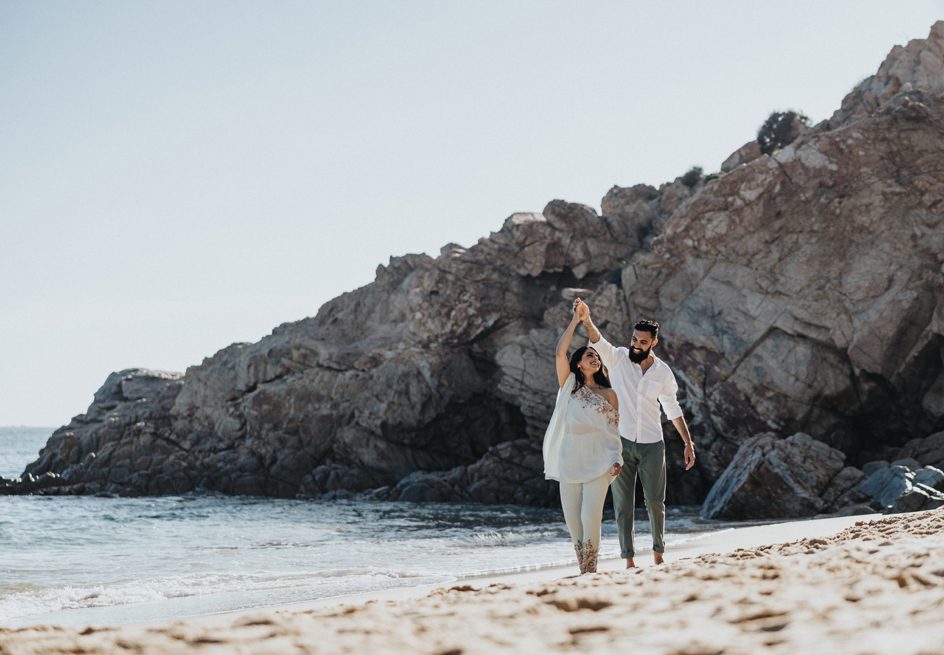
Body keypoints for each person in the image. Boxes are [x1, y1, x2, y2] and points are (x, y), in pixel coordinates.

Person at [574, 298, 695, 568]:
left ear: (654, 343)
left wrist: (688, 443)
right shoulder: (617, 359)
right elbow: (598, 340)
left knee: (654, 502)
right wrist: (586, 319)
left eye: (642, 342)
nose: (636, 345)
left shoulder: (663, 373)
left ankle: (658, 555)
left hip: (653, 444)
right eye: (634, 339)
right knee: (623, 505)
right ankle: (628, 561)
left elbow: (672, 409)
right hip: (621, 443)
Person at [542, 304, 623, 574]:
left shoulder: (609, 394)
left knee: (591, 517)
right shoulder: (570, 386)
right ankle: (583, 568)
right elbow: (559, 352)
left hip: (600, 460)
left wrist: (616, 458)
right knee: (573, 521)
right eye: (589, 355)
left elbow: (613, 432)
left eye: (596, 356)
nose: (595, 358)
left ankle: (591, 570)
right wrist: (576, 321)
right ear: (579, 363)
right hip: (570, 458)